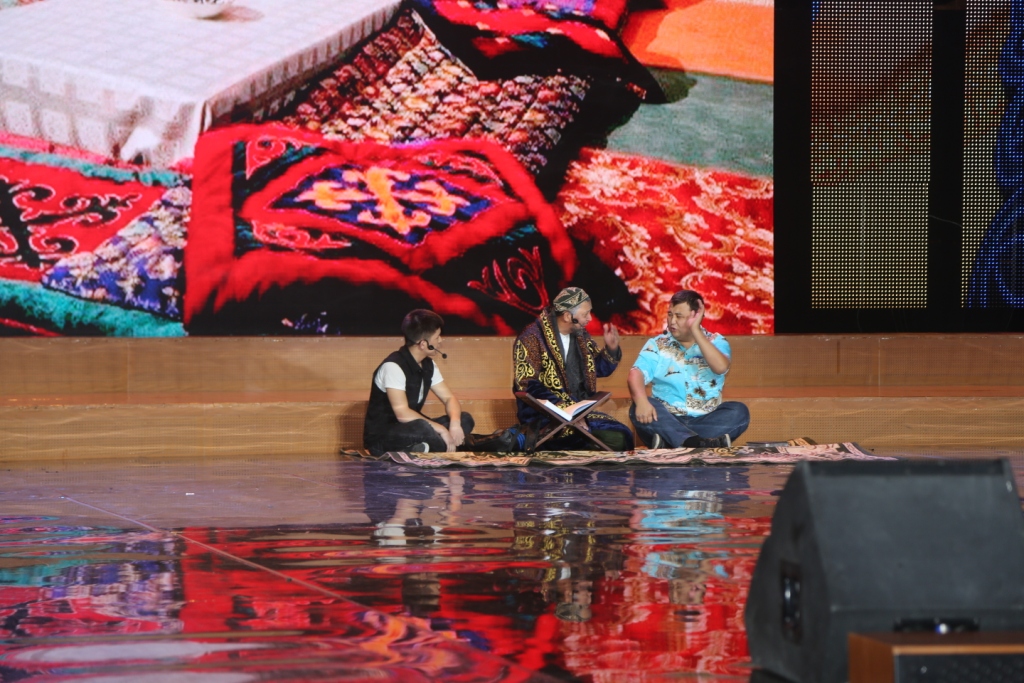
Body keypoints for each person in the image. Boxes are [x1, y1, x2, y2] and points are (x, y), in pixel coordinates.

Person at [512, 287, 634, 451]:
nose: (590, 318)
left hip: (578, 411)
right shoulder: (531, 338)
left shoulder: (581, 335)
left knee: (622, 436)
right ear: (568, 316)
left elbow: (597, 369)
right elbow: (527, 384)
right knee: (580, 439)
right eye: (585, 314)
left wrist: (611, 350)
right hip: (545, 416)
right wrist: (565, 410)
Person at [628, 290, 750, 449]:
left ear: (696, 316)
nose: (672, 321)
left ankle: (672, 443)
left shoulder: (717, 342)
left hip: (705, 419)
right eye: (670, 314)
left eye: (679, 316)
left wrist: (695, 331)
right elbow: (635, 374)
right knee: (638, 406)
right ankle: (698, 443)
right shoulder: (657, 344)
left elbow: (720, 367)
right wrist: (642, 402)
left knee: (739, 412)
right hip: (667, 418)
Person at [363, 309, 474, 456]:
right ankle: (441, 447)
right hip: (384, 435)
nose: (440, 341)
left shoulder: (428, 365)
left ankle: (425, 448)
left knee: (465, 419)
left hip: (415, 427)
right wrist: (442, 430)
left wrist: (454, 424)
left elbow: (449, 398)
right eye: (437, 337)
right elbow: (402, 414)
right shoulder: (393, 366)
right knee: (423, 428)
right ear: (423, 344)